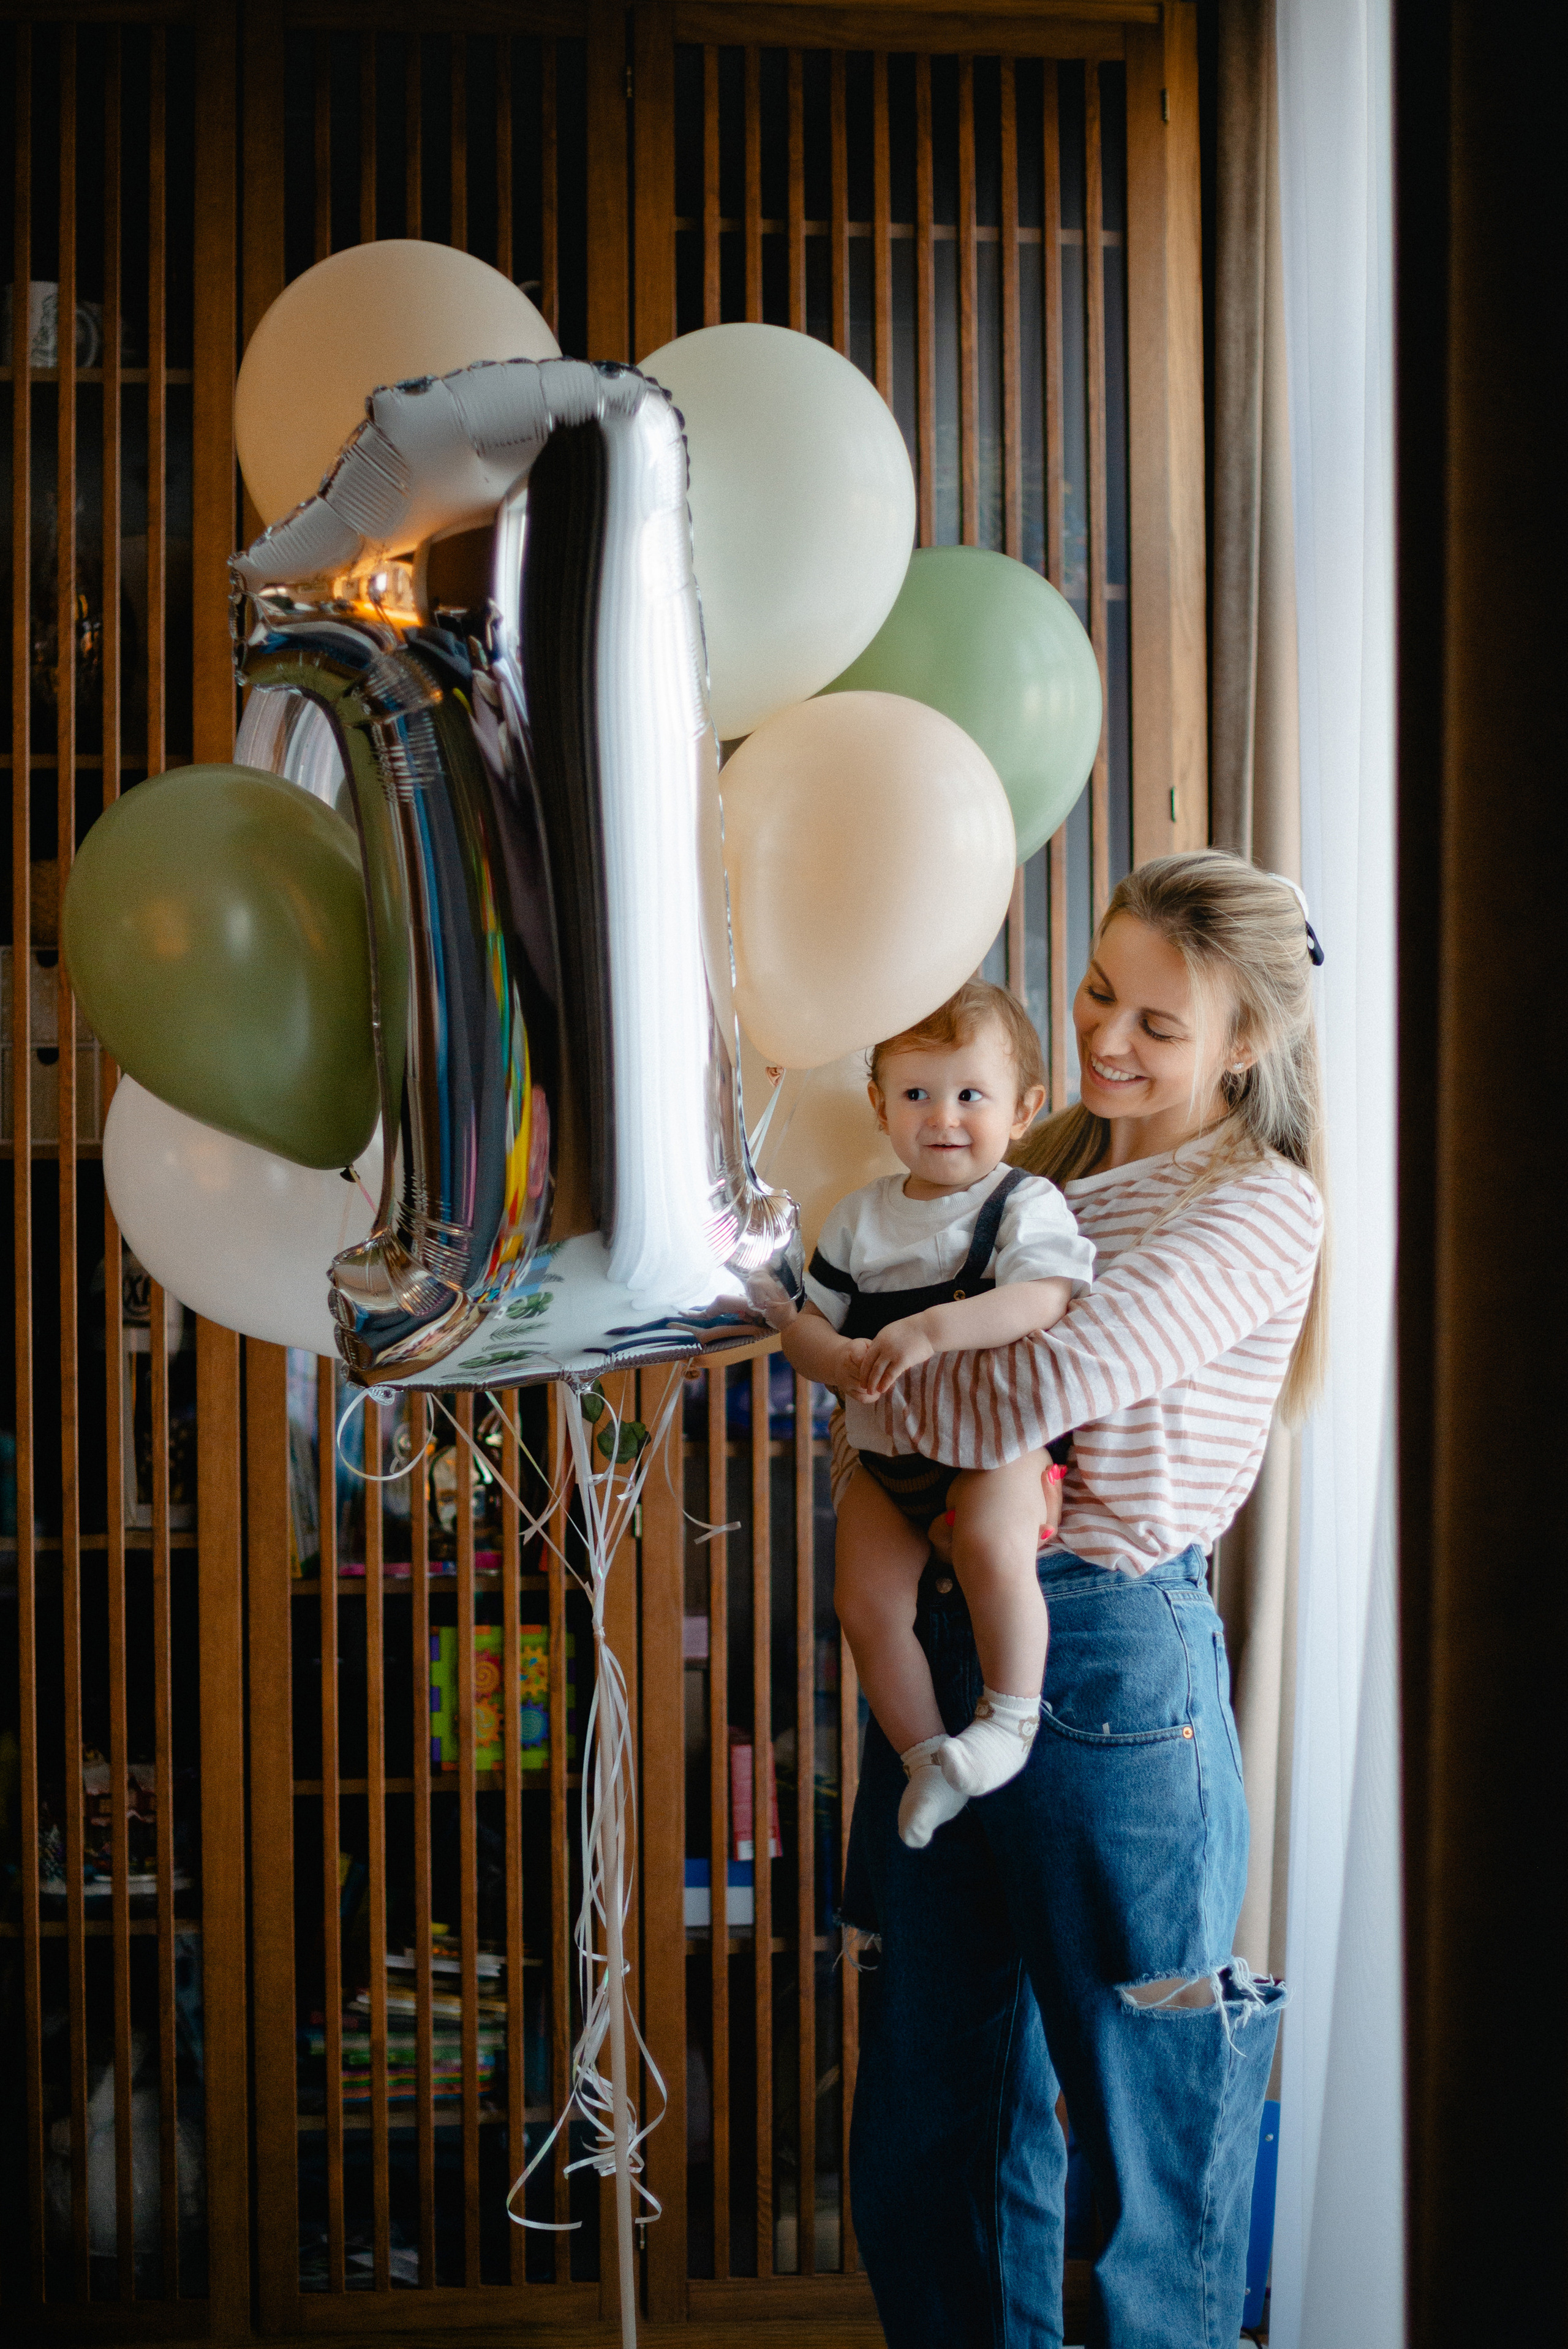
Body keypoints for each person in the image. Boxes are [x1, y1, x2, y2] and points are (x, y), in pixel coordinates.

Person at [839, 853, 1327, 2349]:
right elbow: (880, 1318)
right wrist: (885, 1363)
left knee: (1142, 2142)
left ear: (1242, 1046)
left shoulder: (1260, 1207)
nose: (1107, 1038)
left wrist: (872, 1386)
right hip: (937, 1627)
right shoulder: (1040, 1157)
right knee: (937, 2131)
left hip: (1107, 1653)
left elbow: (1046, 1377)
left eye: (1158, 1025)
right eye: (1098, 992)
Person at [781, 983, 1095, 1850]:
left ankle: (1009, 1721)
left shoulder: (1022, 1203)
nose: (943, 1117)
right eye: (916, 1094)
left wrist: (929, 1329)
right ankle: (926, 1758)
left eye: (970, 1095)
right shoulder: (858, 1220)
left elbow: (1044, 1297)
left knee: (999, 1548)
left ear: (1025, 1108)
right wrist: (836, 1357)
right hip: (888, 1456)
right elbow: (803, 1326)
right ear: (880, 1105)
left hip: (994, 1447)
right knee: (864, 1601)